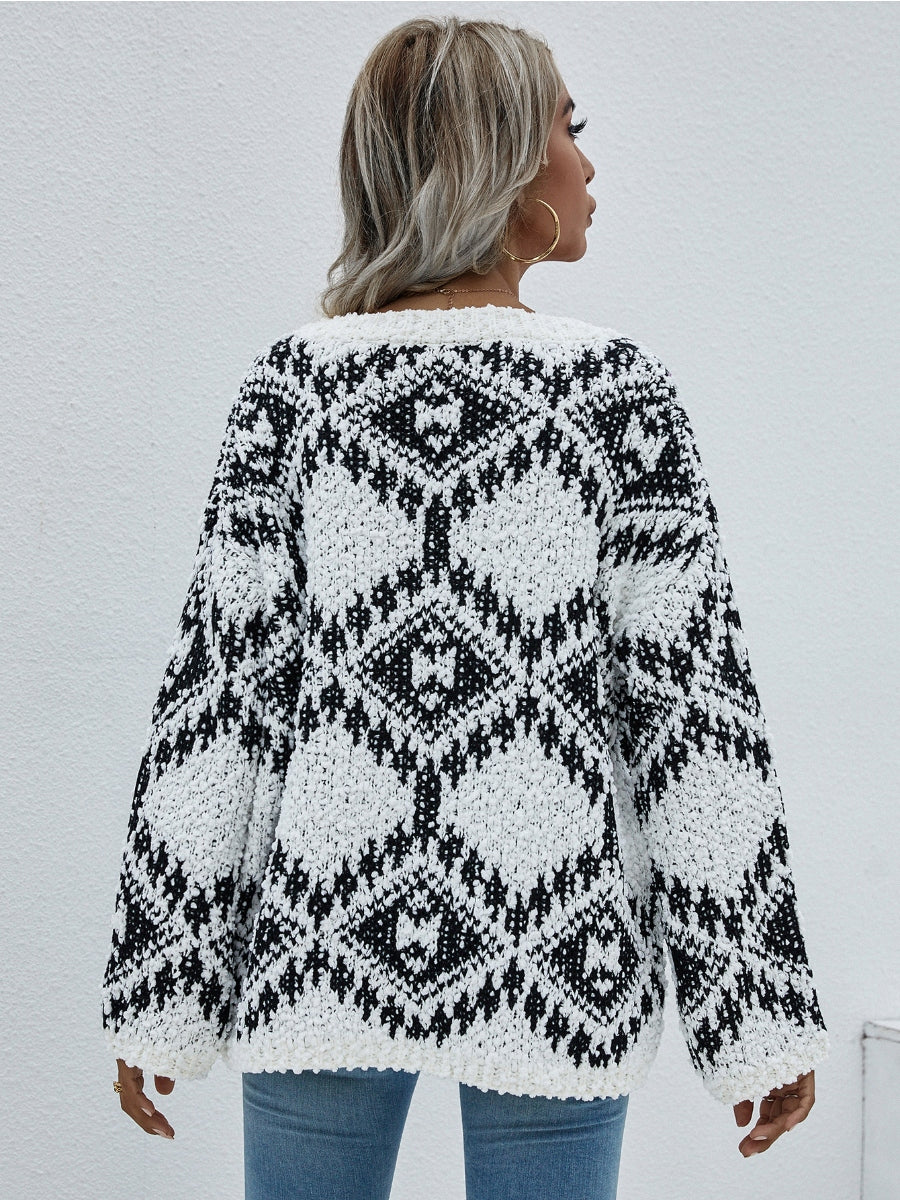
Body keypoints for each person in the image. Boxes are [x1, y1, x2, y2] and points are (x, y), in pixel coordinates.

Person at [101, 15, 829, 1199]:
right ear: (503, 159)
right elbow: (690, 720)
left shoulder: (293, 391)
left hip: (322, 940)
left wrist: (160, 986)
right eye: (568, 127)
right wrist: (754, 1010)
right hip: (564, 948)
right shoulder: (615, 396)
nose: (587, 161)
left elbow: (222, 705)